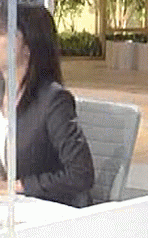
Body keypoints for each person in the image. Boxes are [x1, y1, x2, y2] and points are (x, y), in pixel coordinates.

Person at [0, 4, 94, 207]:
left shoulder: (53, 100)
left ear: (28, 45)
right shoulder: (2, 93)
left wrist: (18, 186)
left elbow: (80, 174)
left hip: (47, 210)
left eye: (1, 32)